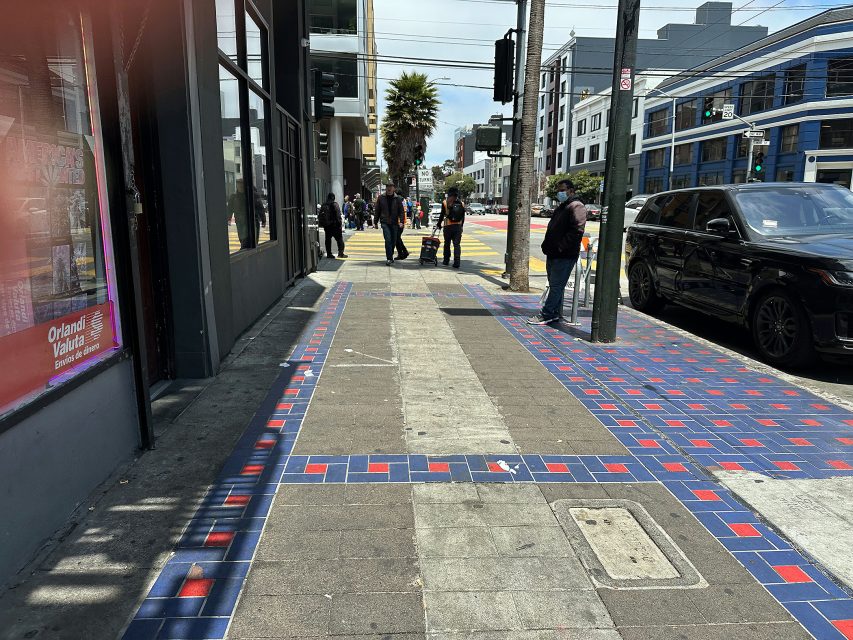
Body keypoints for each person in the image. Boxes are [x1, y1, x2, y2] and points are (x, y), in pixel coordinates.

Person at [528, 178, 586, 325]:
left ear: (571, 191)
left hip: (564, 255)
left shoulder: (576, 206)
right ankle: (554, 313)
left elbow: (577, 231)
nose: (559, 193)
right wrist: (547, 246)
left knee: (556, 286)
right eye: (558, 190)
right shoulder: (562, 206)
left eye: (562, 190)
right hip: (553, 253)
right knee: (555, 285)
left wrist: (561, 247)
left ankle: (546, 314)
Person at [228, 178, 266, 250]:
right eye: (238, 185)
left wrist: (263, 220)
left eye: (241, 185)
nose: (240, 187)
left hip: (253, 222)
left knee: (252, 241)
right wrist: (229, 218)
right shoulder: (234, 197)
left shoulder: (253, 195)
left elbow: (260, 208)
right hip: (240, 222)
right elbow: (229, 209)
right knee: (242, 239)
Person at [374, 183, 406, 265]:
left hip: (395, 223)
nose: (389, 188)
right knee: (388, 240)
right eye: (387, 187)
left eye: (391, 187)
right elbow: (377, 210)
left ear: (393, 188)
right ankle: (389, 258)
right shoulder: (381, 198)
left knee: (394, 241)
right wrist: (375, 222)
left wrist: (402, 222)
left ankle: (390, 255)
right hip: (385, 222)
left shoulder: (398, 199)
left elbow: (401, 211)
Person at [436, 186, 465, 268]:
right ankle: (457, 262)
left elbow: (442, 215)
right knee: (456, 245)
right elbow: (463, 217)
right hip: (458, 226)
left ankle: (446, 260)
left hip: (448, 226)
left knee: (447, 243)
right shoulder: (461, 203)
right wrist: (461, 226)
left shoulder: (445, 203)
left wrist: (439, 224)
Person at [318, 193, 348, 259]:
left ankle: (329, 254)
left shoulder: (324, 205)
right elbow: (338, 215)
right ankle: (340, 253)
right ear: (333, 198)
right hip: (335, 226)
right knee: (339, 240)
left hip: (327, 226)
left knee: (328, 240)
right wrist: (340, 224)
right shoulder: (335, 204)